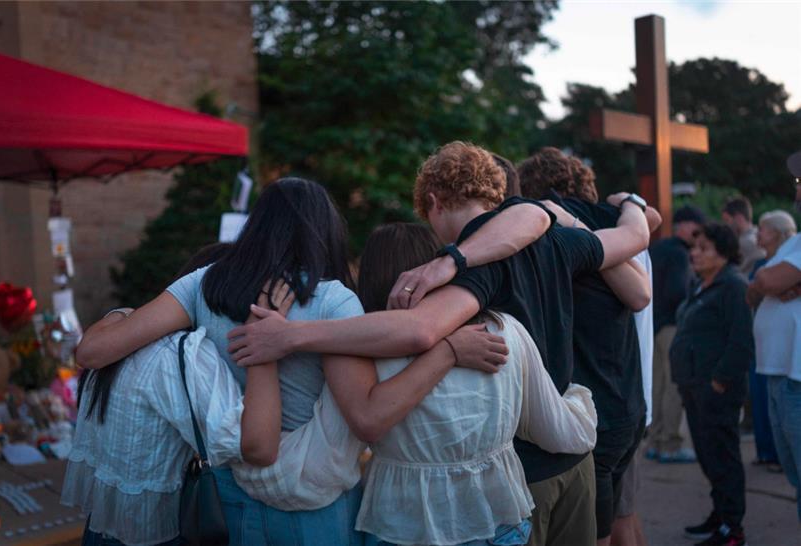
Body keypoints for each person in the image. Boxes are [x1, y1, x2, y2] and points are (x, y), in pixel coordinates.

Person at [74, 176, 549, 545]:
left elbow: (92, 353)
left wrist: (123, 313)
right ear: (325, 233)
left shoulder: (203, 284)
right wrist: (448, 351)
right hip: (312, 507)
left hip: (225, 495)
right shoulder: (331, 300)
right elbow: (368, 415)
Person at [229, 142, 652, 546]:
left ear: (433, 201)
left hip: (527, 469)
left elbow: (419, 330)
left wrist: (292, 336)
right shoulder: (558, 242)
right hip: (573, 461)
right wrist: (631, 201)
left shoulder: (476, 265)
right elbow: (635, 238)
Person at [355, 222, 598, 545]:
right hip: (494, 517)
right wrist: (582, 405)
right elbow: (553, 428)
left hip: (399, 522)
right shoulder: (504, 330)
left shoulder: (361, 347)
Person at [62, 243, 284, 546]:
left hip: (100, 528)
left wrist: (122, 313)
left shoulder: (116, 342)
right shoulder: (183, 354)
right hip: (157, 533)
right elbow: (250, 446)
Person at [518, 147, 659, 546]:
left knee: (596, 534)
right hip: (630, 402)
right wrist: (631, 201)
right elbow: (651, 219)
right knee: (621, 521)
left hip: (594, 414)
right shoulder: (620, 221)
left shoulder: (552, 230)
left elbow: (638, 293)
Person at [670, 223, 753, 546]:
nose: (694, 252)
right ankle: (720, 515)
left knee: (723, 457)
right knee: (709, 456)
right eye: (694, 246)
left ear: (723, 251)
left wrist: (720, 380)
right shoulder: (703, 284)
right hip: (694, 386)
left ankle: (733, 529)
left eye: (703, 247)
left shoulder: (733, 285)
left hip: (716, 389)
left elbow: (741, 341)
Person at [748, 211, 801, 521]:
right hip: (777, 372)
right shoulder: (794, 243)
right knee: (793, 475)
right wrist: (771, 285)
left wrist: (771, 284)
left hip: (795, 376)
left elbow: (765, 280)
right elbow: (753, 290)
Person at [646, 205, 706, 464]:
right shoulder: (680, 255)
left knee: (657, 385)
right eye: (697, 227)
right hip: (672, 326)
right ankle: (670, 444)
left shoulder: (656, 247)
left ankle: (655, 441)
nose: (700, 234)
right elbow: (677, 291)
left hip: (652, 324)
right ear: (685, 225)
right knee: (674, 386)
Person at [722, 197, 766, 276]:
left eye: (727, 220)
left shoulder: (744, 242)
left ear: (739, 218)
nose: (725, 226)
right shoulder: (757, 234)